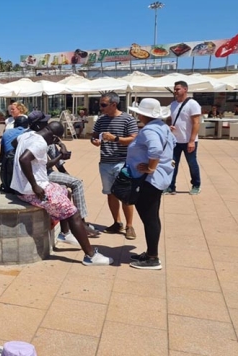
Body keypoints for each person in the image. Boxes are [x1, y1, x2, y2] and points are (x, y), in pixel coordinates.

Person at [12, 122, 113, 266]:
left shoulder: (27, 135)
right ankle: (90, 256)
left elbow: (14, 143)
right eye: (56, 140)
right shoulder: (40, 143)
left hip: (24, 186)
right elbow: (24, 159)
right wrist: (34, 185)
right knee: (74, 214)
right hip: (32, 190)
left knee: (65, 192)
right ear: (53, 137)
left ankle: (65, 233)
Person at [125, 99, 176, 269]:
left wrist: (150, 168)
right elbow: (172, 144)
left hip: (149, 180)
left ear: (143, 114)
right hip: (159, 178)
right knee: (152, 216)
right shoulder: (163, 127)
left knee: (150, 218)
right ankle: (150, 253)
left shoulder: (149, 130)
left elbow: (156, 150)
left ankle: (152, 258)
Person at [91, 92, 138, 239]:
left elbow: (133, 139)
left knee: (125, 195)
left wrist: (115, 138)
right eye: (100, 104)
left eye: (104, 105)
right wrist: (95, 141)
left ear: (114, 104)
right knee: (110, 194)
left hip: (122, 162)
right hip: (105, 162)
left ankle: (130, 226)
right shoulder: (101, 120)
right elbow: (94, 135)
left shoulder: (127, 119)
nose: (101, 107)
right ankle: (117, 223)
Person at [166, 81, 202, 195]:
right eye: (175, 89)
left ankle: (196, 185)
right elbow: (170, 119)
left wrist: (191, 141)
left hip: (188, 141)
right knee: (172, 163)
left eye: (178, 89)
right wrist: (169, 126)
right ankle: (171, 186)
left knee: (192, 163)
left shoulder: (193, 104)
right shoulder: (173, 104)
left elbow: (196, 123)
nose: (175, 91)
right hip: (175, 140)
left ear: (185, 89)